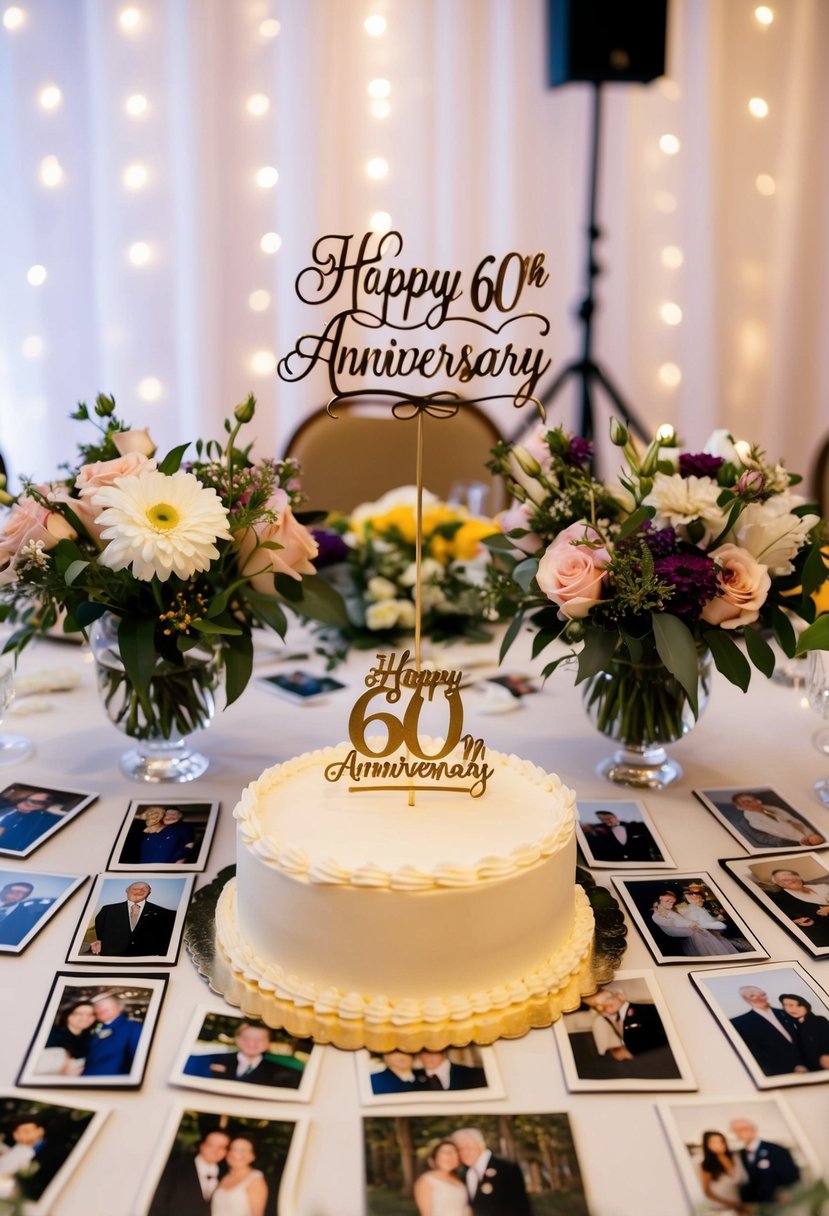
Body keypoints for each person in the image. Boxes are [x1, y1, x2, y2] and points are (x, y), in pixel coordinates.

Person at [183, 1022, 303, 1089]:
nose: (252, 1043)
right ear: (238, 1040)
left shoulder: (284, 1073)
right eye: (247, 1038)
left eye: (259, 1039)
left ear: (268, 1044)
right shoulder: (210, 1060)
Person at [450, 1128, 531, 1215]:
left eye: (468, 1147)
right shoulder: (463, 1174)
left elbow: (521, 1208)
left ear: (481, 1144)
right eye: (459, 1149)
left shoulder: (507, 1168)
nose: (464, 1152)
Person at [149, 1128, 230, 1215]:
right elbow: (157, 1202)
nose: (215, 1151)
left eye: (222, 1147)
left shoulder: (226, 1174)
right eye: (210, 1145)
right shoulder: (174, 1168)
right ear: (201, 1145)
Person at [729, 985, 805, 1076]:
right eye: (752, 996)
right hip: (780, 1074)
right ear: (745, 999)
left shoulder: (788, 1013)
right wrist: (791, 1068)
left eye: (762, 994)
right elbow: (755, 1054)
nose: (759, 998)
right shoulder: (739, 1023)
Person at [90, 880, 176, 957]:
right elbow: (100, 931)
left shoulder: (166, 914)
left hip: (147, 960)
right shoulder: (107, 910)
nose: (139, 891)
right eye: (135, 889)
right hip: (113, 958)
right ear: (127, 891)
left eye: (143, 890)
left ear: (149, 893)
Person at [729, 1117, 800, 1206]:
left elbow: (790, 1175)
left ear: (754, 1129)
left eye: (743, 1129)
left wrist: (783, 1191)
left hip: (776, 1204)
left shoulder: (776, 1150)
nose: (739, 1133)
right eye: (735, 1130)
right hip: (751, 1205)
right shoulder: (739, 1155)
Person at [588, 987, 668, 1061]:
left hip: (652, 1053)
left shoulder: (640, 1010)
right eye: (598, 1006)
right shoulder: (615, 1018)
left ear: (620, 996)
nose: (603, 1007)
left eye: (606, 1001)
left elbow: (658, 1036)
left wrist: (631, 1052)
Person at [650, 890, 738, 957]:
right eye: (669, 900)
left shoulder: (674, 910)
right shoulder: (661, 915)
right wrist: (706, 925)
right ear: (660, 898)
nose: (702, 899)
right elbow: (678, 927)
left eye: (673, 900)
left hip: (703, 934)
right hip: (699, 936)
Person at [0, 1116, 65, 1203]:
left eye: (26, 1131)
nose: (21, 1135)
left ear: (40, 1131)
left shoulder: (53, 1152)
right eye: (17, 1132)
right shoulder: (20, 1147)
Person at [730, 792, 824, 848]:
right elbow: (763, 839)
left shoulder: (773, 808)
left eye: (752, 800)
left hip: (811, 836)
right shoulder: (746, 821)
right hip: (794, 844)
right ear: (739, 807)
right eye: (746, 802)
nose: (752, 803)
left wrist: (811, 834)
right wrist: (798, 842)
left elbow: (796, 821)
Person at [82, 992, 143, 1076]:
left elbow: (139, 1061)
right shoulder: (99, 1029)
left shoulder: (132, 1027)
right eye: (96, 1006)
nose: (99, 1009)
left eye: (103, 1005)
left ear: (119, 1006)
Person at [768, 868, 829, 948]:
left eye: (791, 876)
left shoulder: (822, 887)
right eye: (785, 880)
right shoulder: (781, 897)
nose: (791, 880)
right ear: (779, 884)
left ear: (799, 877)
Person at [210, 1136, 268, 1216]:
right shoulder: (224, 1176)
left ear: (253, 1156)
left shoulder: (255, 1180)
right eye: (233, 1149)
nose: (236, 1153)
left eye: (243, 1150)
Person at [674, 888, 741, 955]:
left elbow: (706, 920)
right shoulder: (688, 909)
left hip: (711, 934)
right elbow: (698, 924)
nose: (703, 900)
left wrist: (717, 919)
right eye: (700, 898)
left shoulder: (697, 908)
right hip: (704, 936)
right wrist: (717, 924)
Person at [414, 1140, 471, 1216]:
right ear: (435, 1157)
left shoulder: (459, 1180)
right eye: (446, 1152)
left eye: (455, 1152)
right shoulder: (426, 1181)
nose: (452, 1156)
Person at [697, 1130, 749, 1214]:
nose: (719, 1144)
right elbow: (707, 1192)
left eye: (721, 1141)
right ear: (707, 1145)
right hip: (721, 1209)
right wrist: (732, 1204)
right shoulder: (706, 1165)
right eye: (713, 1142)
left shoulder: (736, 1158)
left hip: (741, 1206)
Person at [584, 810, 662, 863]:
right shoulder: (601, 831)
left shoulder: (635, 826)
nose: (606, 821)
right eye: (602, 820)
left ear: (615, 817)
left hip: (644, 861)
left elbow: (653, 838)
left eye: (608, 818)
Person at [42, 1000, 96, 1076]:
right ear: (68, 1015)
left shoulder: (91, 1037)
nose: (85, 1018)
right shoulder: (52, 1034)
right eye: (79, 1013)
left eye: (91, 1014)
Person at [779, 993, 829, 1070]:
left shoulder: (819, 1020)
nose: (790, 1009)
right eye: (786, 1006)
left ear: (804, 1005)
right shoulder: (791, 1026)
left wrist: (825, 1055)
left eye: (792, 1005)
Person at [0, 880, 54, 947]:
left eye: (23, 893)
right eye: (15, 891)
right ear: (5, 890)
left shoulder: (27, 913)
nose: (18, 894)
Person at [417, 1050, 486, 1091]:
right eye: (422, 1051)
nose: (427, 1056)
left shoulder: (475, 1074)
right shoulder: (413, 1078)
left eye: (432, 1050)